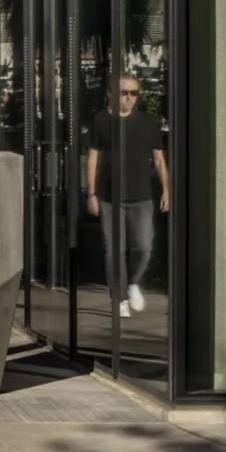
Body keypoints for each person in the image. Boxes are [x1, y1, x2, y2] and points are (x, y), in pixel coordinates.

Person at [85, 71, 169, 316]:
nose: (130, 97)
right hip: (110, 199)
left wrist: (167, 189)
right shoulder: (101, 121)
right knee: (114, 250)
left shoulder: (147, 123)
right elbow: (92, 158)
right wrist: (91, 193)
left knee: (143, 246)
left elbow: (159, 159)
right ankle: (119, 297)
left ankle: (132, 283)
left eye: (134, 93)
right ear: (110, 93)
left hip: (141, 198)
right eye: (124, 92)